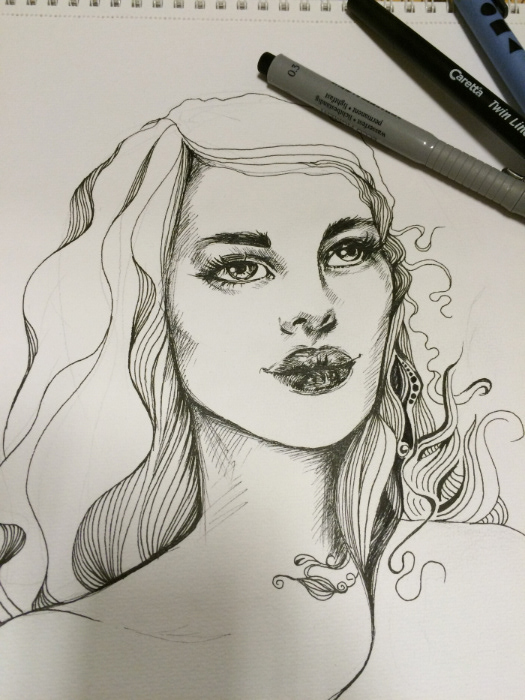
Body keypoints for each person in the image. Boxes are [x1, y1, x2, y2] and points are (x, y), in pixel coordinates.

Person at [0, 94, 523, 699]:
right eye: (242, 268)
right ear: (149, 303)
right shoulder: (51, 654)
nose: (315, 308)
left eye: (348, 251)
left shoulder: (488, 569)